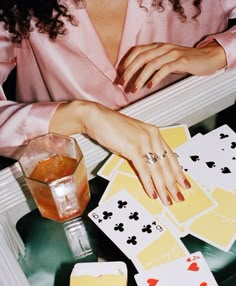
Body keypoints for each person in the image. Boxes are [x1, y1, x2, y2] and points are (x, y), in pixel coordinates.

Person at [0, 0, 235, 206]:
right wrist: (82, 116)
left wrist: (219, 52)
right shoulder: (13, 10)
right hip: (74, 182)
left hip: (198, 145)